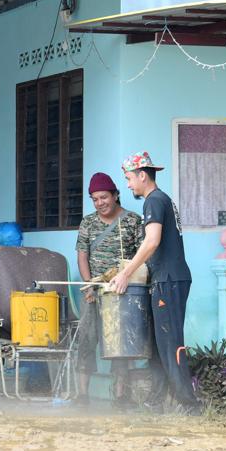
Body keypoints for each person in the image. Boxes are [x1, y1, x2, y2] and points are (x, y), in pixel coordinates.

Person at [108, 151, 199, 411]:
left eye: (128, 179)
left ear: (142, 175)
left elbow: (152, 241)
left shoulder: (153, 201)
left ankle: (189, 405)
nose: (127, 185)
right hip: (168, 279)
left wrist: (125, 273)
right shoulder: (161, 200)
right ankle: (155, 401)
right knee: (159, 346)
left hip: (169, 281)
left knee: (170, 344)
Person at [75, 172, 144, 403]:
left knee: (121, 344)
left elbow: (142, 255)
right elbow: (82, 255)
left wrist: (128, 281)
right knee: (86, 338)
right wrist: (88, 287)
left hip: (123, 291)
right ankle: (82, 395)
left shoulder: (133, 220)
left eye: (103, 197)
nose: (99, 203)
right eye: (95, 199)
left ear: (115, 195)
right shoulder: (88, 222)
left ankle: (120, 397)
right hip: (94, 292)